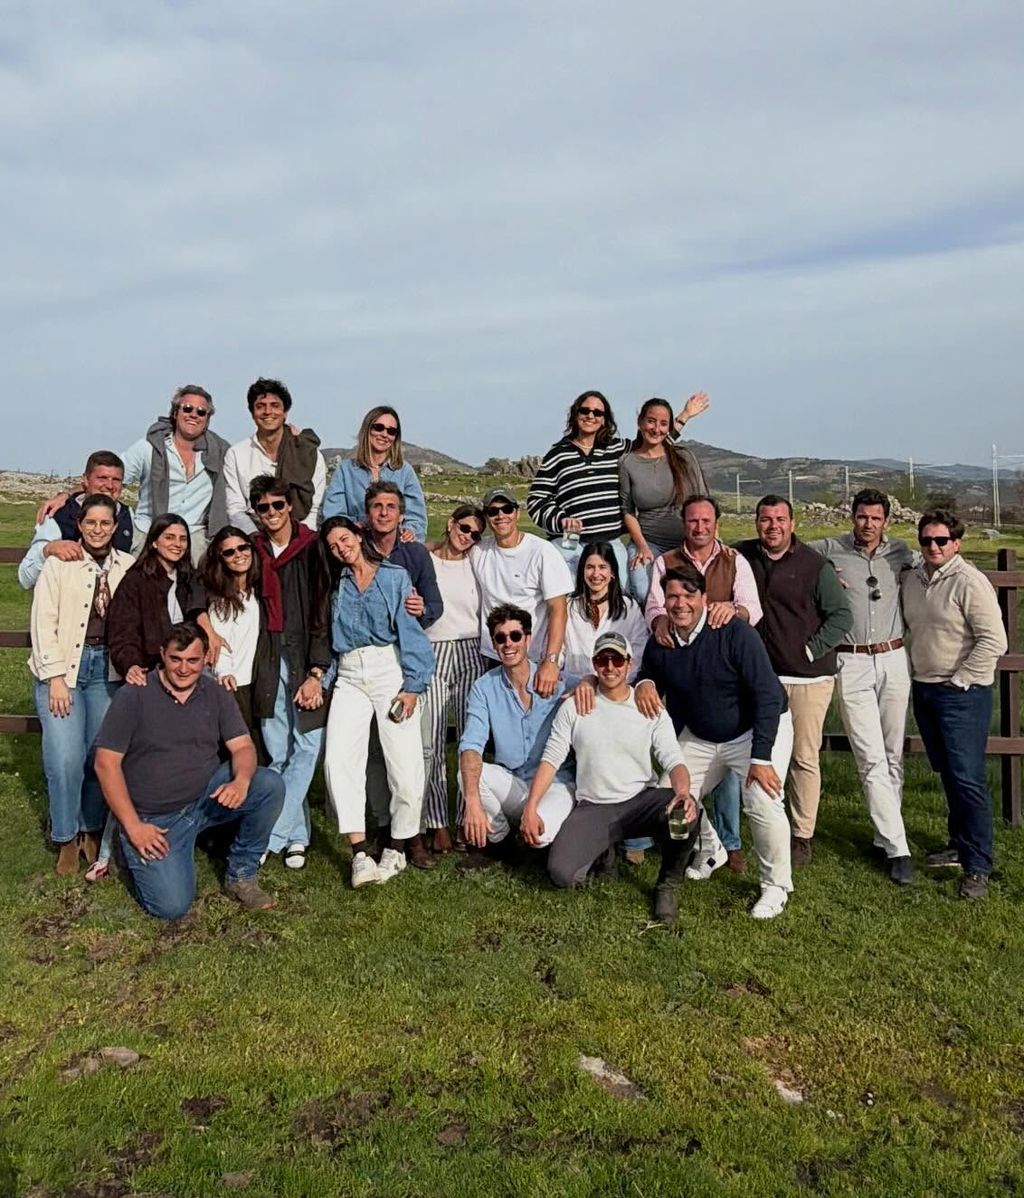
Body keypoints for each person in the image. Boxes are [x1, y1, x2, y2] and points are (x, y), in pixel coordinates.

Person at [94, 622, 285, 919]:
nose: (184, 669)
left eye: (193, 660)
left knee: (269, 785)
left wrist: (242, 781)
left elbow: (243, 746)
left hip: (205, 799)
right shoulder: (134, 695)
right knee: (171, 906)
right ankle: (129, 847)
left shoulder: (215, 692)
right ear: (162, 655)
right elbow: (105, 763)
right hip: (154, 819)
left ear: (206, 658)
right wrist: (134, 826)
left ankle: (242, 874)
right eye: (175, 659)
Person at [635, 565, 794, 920]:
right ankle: (711, 848)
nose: (680, 604)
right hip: (703, 735)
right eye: (672, 596)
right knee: (668, 797)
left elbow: (768, 694)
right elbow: (649, 672)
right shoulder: (662, 639)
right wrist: (644, 683)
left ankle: (775, 886)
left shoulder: (734, 633)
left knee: (761, 798)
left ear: (705, 598)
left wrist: (762, 757)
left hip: (756, 728)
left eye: (688, 596)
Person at [729, 497, 874, 874]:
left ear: (792, 523)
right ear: (756, 523)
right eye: (765, 519)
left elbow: (841, 616)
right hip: (762, 679)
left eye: (780, 519)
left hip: (808, 679)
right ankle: (756, 824)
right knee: (753, 753)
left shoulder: (814, 566)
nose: (772, 526)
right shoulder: (742, 558)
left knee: (804, 757)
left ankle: (802, 834)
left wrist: (811, 650)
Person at [522, 630, 699, 924]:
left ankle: (667, 885)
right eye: (603, 659)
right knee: (561, 875)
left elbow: (673, 758)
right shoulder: (575, 706)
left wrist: (682, 791)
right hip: (594, 805)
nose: (610, 666)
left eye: (617, 659)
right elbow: (551, 758)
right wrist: (530, 807)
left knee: (688, 813)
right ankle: (605, 852)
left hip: (640, 801)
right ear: (594, 663)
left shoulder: (647, 705)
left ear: (629, 664)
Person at [638, 493, 763, 867]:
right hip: (682, 666)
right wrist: (659, 620)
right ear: (685, 524)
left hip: (727, 668)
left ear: (716, 523)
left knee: (725, 758)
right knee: (693, 755)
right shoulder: (666, 562)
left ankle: (730, 839)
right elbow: (655, 607)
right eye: (693, 521)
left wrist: (732, 609)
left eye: (706, 521)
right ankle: (703, 838)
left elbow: (752, 610)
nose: (699, 527)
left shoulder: (733, 560)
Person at [320, 517, 435, 888]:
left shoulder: (394, 577)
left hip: (389, 669)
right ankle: (359, 852)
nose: (341, 548)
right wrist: (320, 679)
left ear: (357, 535)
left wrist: (413, 685)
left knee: (403, 763)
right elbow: (332, 644)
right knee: (339, 759)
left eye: (344, 539)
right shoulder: (335, 586)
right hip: (350, 675)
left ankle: (397, 847)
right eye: (333, 546)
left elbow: (410, 634)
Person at [806, 490, 916, 872]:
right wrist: (822, 572)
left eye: (875, 518)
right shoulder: (831, 547)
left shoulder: (901, 552)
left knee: (893, 756)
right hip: (851, 661)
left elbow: (933, 562)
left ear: (886, 521)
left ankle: (885, 837)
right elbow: (792, 549)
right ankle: (899, 850)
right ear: (852, 517)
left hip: (893, 657)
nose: (868, 524)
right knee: (870, 758)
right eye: (861, 517)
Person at [901, 510, 1007, 899]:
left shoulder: (969, 581)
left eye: (941, 540)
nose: (933, 547)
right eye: (926, 540)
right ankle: (958, 844)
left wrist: (960, 680)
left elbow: (995, 641)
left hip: (961, 694)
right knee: (947, 772)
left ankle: (978, 864)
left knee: (967, 777)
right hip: (925, 689)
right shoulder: (914, 578)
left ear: (956, 543)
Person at [28, 495, 134, 874]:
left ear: (115, 525)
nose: (98, 530)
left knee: (97, 755)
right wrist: (55, 677)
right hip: (66, 668)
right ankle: (65, 835)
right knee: (65, 757)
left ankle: (91, 828)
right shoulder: (61, 564)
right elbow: (43, 622)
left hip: (107, 669)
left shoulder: (127, 566)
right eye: (91, 523)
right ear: (81, 524)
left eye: (105, 523)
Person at [527, 390, 707, 590]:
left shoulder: (617, 450)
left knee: (622, 593)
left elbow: (654, 442)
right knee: (566, 592)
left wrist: (684, 415)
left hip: (610, 541)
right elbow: (537, 500)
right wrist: (561, 519)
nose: (590, 416)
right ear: (575, 414)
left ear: (605, 420)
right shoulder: (557, 454)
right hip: (571, 543)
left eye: (597, 413)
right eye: (585, 411)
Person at [248, 475, 331, 871]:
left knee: (308, 745)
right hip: (266, 656)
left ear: (290, 506)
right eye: (263, 508)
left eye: (277, 505)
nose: (271, 514)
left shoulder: (313, 548)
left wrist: (317, 669)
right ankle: (298, 835)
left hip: (305, 655)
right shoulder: (251, 549)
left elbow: (322, 609)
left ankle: (272, 834)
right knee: (278, 749)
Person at [459, 605, 575, 861]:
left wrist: (589, 683)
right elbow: (471, 745)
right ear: (494, 642)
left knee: (540, 837)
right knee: (467, 774)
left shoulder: (553, 679)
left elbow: (595, 683)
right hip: (513, 781)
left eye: (515, 636)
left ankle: (548, 835)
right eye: (500, 637)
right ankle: (500, 839)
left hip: (555, 784)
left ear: (528, 639)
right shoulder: (484, 687)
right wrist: (472, 802)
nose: (508, 643)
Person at [420, 505, 488, 853]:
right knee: (429, 740)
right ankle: (436, 821)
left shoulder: (478, 561)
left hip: (471, 649)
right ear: (450, 524)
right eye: (464, 529)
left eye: (476, 534)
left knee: (468, 737)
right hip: (432, 648)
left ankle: (466, 815)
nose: (468, 537)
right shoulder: (426, 559)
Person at [470, 487, 573, 698]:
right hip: (495, 654)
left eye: (507, 509)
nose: (501, 516)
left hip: (534, 658)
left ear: (516, 513)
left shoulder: (542, 552)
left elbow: (559, 610)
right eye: (493, 511)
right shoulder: (479, 551)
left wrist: (551, 661)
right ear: (487, 517)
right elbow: (447, 550)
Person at [620, 396, 709, 605]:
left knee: (693, 594)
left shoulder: (684, 457)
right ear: (640, 422)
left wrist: (712, 539)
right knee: (644, 592)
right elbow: (627, 510)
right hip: (649, 543)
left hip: (688, 542)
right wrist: (642, 546)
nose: (656, 428)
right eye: (651, 421)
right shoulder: (627, 462)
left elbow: (704, 503)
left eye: (663, 424)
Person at [106, 514, 210, 684]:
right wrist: (131, 665)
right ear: (154, 542)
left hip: (187, 667)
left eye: (182, 539)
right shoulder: (135, 580)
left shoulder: (190, 578)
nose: (177, 544)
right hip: (151, 668)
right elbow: (123, 632)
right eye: (169, 537)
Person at [222, 377, 327, 534]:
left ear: (285, 413)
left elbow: (314, 509)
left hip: (301, 534)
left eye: (275, 406)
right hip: (255, 532)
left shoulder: (308, 454)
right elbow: (235, 509)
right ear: (252, 412)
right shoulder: (236, 454)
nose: (268, 412)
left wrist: (299, 541)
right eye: (260, 406)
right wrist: (256, 539)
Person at [19, 451, 133, 590]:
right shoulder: (59, 516)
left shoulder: (129, 517)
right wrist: (47, 551)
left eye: (116, 480)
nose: (109, 485)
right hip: (68, 604)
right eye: (102, 478)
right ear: (85, 479)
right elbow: (25, 578)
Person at [322, 406, 427, 540]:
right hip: (356, 546)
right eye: (378, 427)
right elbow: (334, 516)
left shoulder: (405, 472)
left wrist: (410, 531)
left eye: (391, 431)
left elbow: (416, 518)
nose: (384, 434)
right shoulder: (345, 470)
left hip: (395, 547)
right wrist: (356, 527)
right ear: (367, 429)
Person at [200, 526, 264, 740]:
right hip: (235, 684)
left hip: (258, 681)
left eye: (242, 547)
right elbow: (220, 644)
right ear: (221, 559)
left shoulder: (259, 590)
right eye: (229, 552)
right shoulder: (221, 601)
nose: (238, 555)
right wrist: (224, 673)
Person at [563, 542, 649, 688]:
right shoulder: (569, 606)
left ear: (613, 572)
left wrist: (615, 684)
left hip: (616, 688)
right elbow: (559, 651)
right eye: (590, 567)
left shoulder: (629, 607)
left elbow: (638, 652)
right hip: (575, 688)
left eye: (602, 567)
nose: (596, 574)